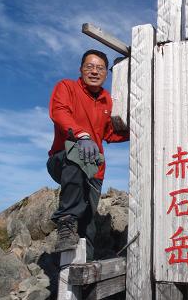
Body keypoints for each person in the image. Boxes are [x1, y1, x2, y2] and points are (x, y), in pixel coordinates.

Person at [47, 49, 129, 260]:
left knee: (87, 223)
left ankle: (81, 275)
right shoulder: (67, 87)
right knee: (78, 154)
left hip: (94, 169)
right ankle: (65, 220)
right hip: (62, 158)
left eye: (100, 68)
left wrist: (139, 130)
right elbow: (59, 112)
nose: (94, 71)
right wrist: (81, 135)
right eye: (89, 67)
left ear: (106, 74)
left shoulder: (107, 101)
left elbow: (110, 133)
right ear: (81, 70)